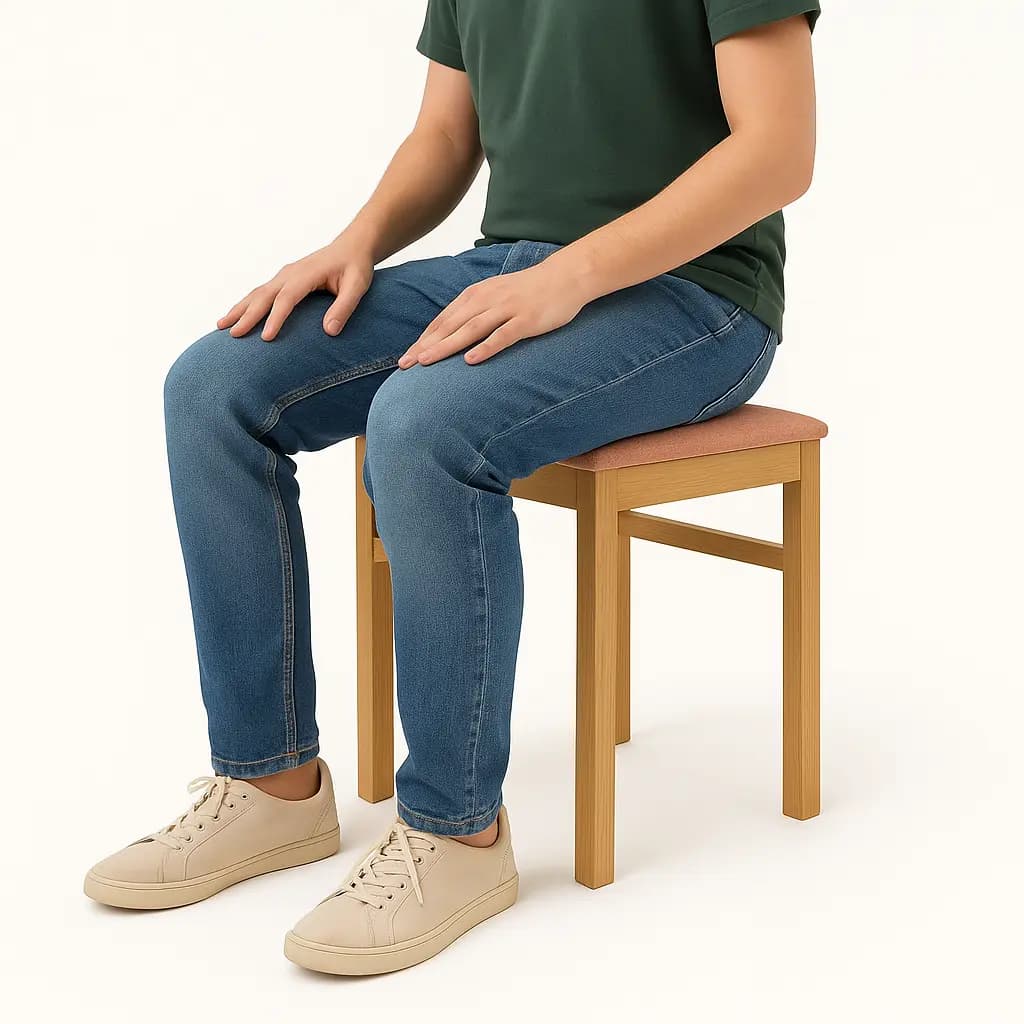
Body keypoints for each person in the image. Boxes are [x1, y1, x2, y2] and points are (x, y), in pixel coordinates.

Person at [84, 1, 820, 975]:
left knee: (425, 424)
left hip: (696, 297)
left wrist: (574, 275)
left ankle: (456, 829)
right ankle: (271, 785)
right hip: (506, 265)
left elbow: (778, 151)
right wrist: (358, 240)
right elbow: (444, 133)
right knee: (213, 388)